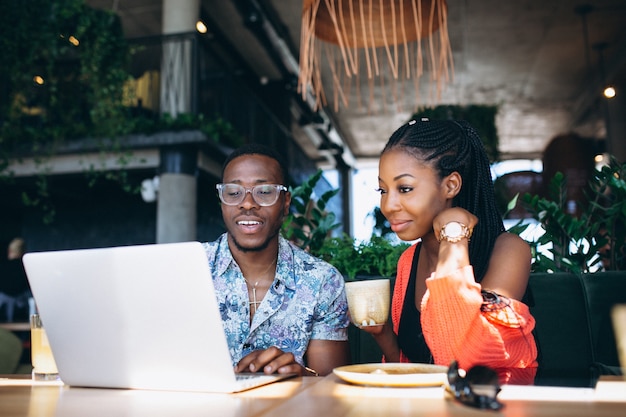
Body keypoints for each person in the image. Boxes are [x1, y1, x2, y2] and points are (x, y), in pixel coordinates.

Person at [365, 119, 538, 383]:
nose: (388, 205)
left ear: (451, 185)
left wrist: (454, 236)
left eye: (405, 189)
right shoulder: (409, 261)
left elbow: (466, 359)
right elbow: (418, 368)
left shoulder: (510, 251)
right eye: (383, 190)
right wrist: (383, 333)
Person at [202, 144, 350, 376]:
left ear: (286, 202)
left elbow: (330, 387)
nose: (248, 203)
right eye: (233, 192)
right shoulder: (189, 270)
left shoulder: (322, 282)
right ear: (222, 201)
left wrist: (302, 376)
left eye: (264, 191)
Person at [0, 237, 31, 322]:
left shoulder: (3, 267)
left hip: (4, 311)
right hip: (22, 309)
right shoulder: (27, 267)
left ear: (10, 250)